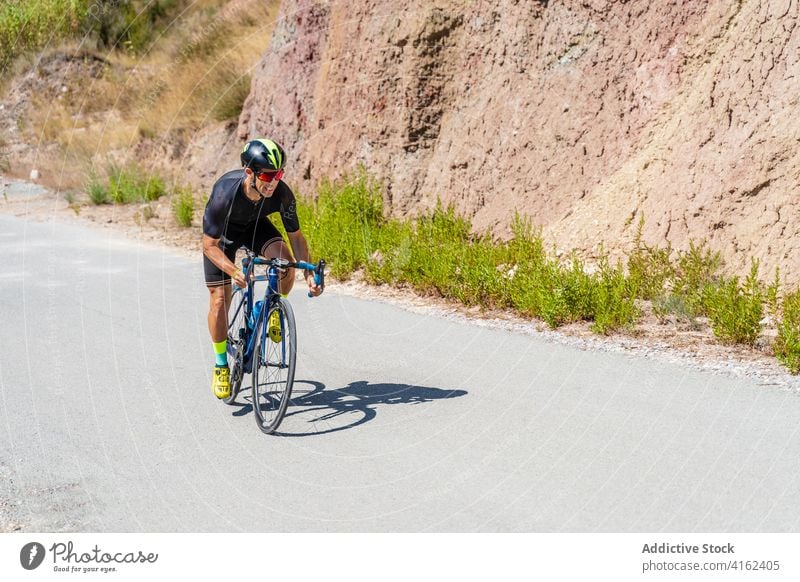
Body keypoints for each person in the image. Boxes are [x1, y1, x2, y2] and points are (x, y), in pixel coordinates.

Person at [202, 138, 322, 399]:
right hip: (222, 238)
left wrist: (309, 272)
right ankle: (221, 363)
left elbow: (297, 237)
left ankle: (273, 306)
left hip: (256, 227)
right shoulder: (225, 193)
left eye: (278, 174)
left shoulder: (281, 193)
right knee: (220, 300)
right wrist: (234, 271)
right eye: (268, 175)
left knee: (285, 264)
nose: (274, 181)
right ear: (250, 173)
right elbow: (208, 245)